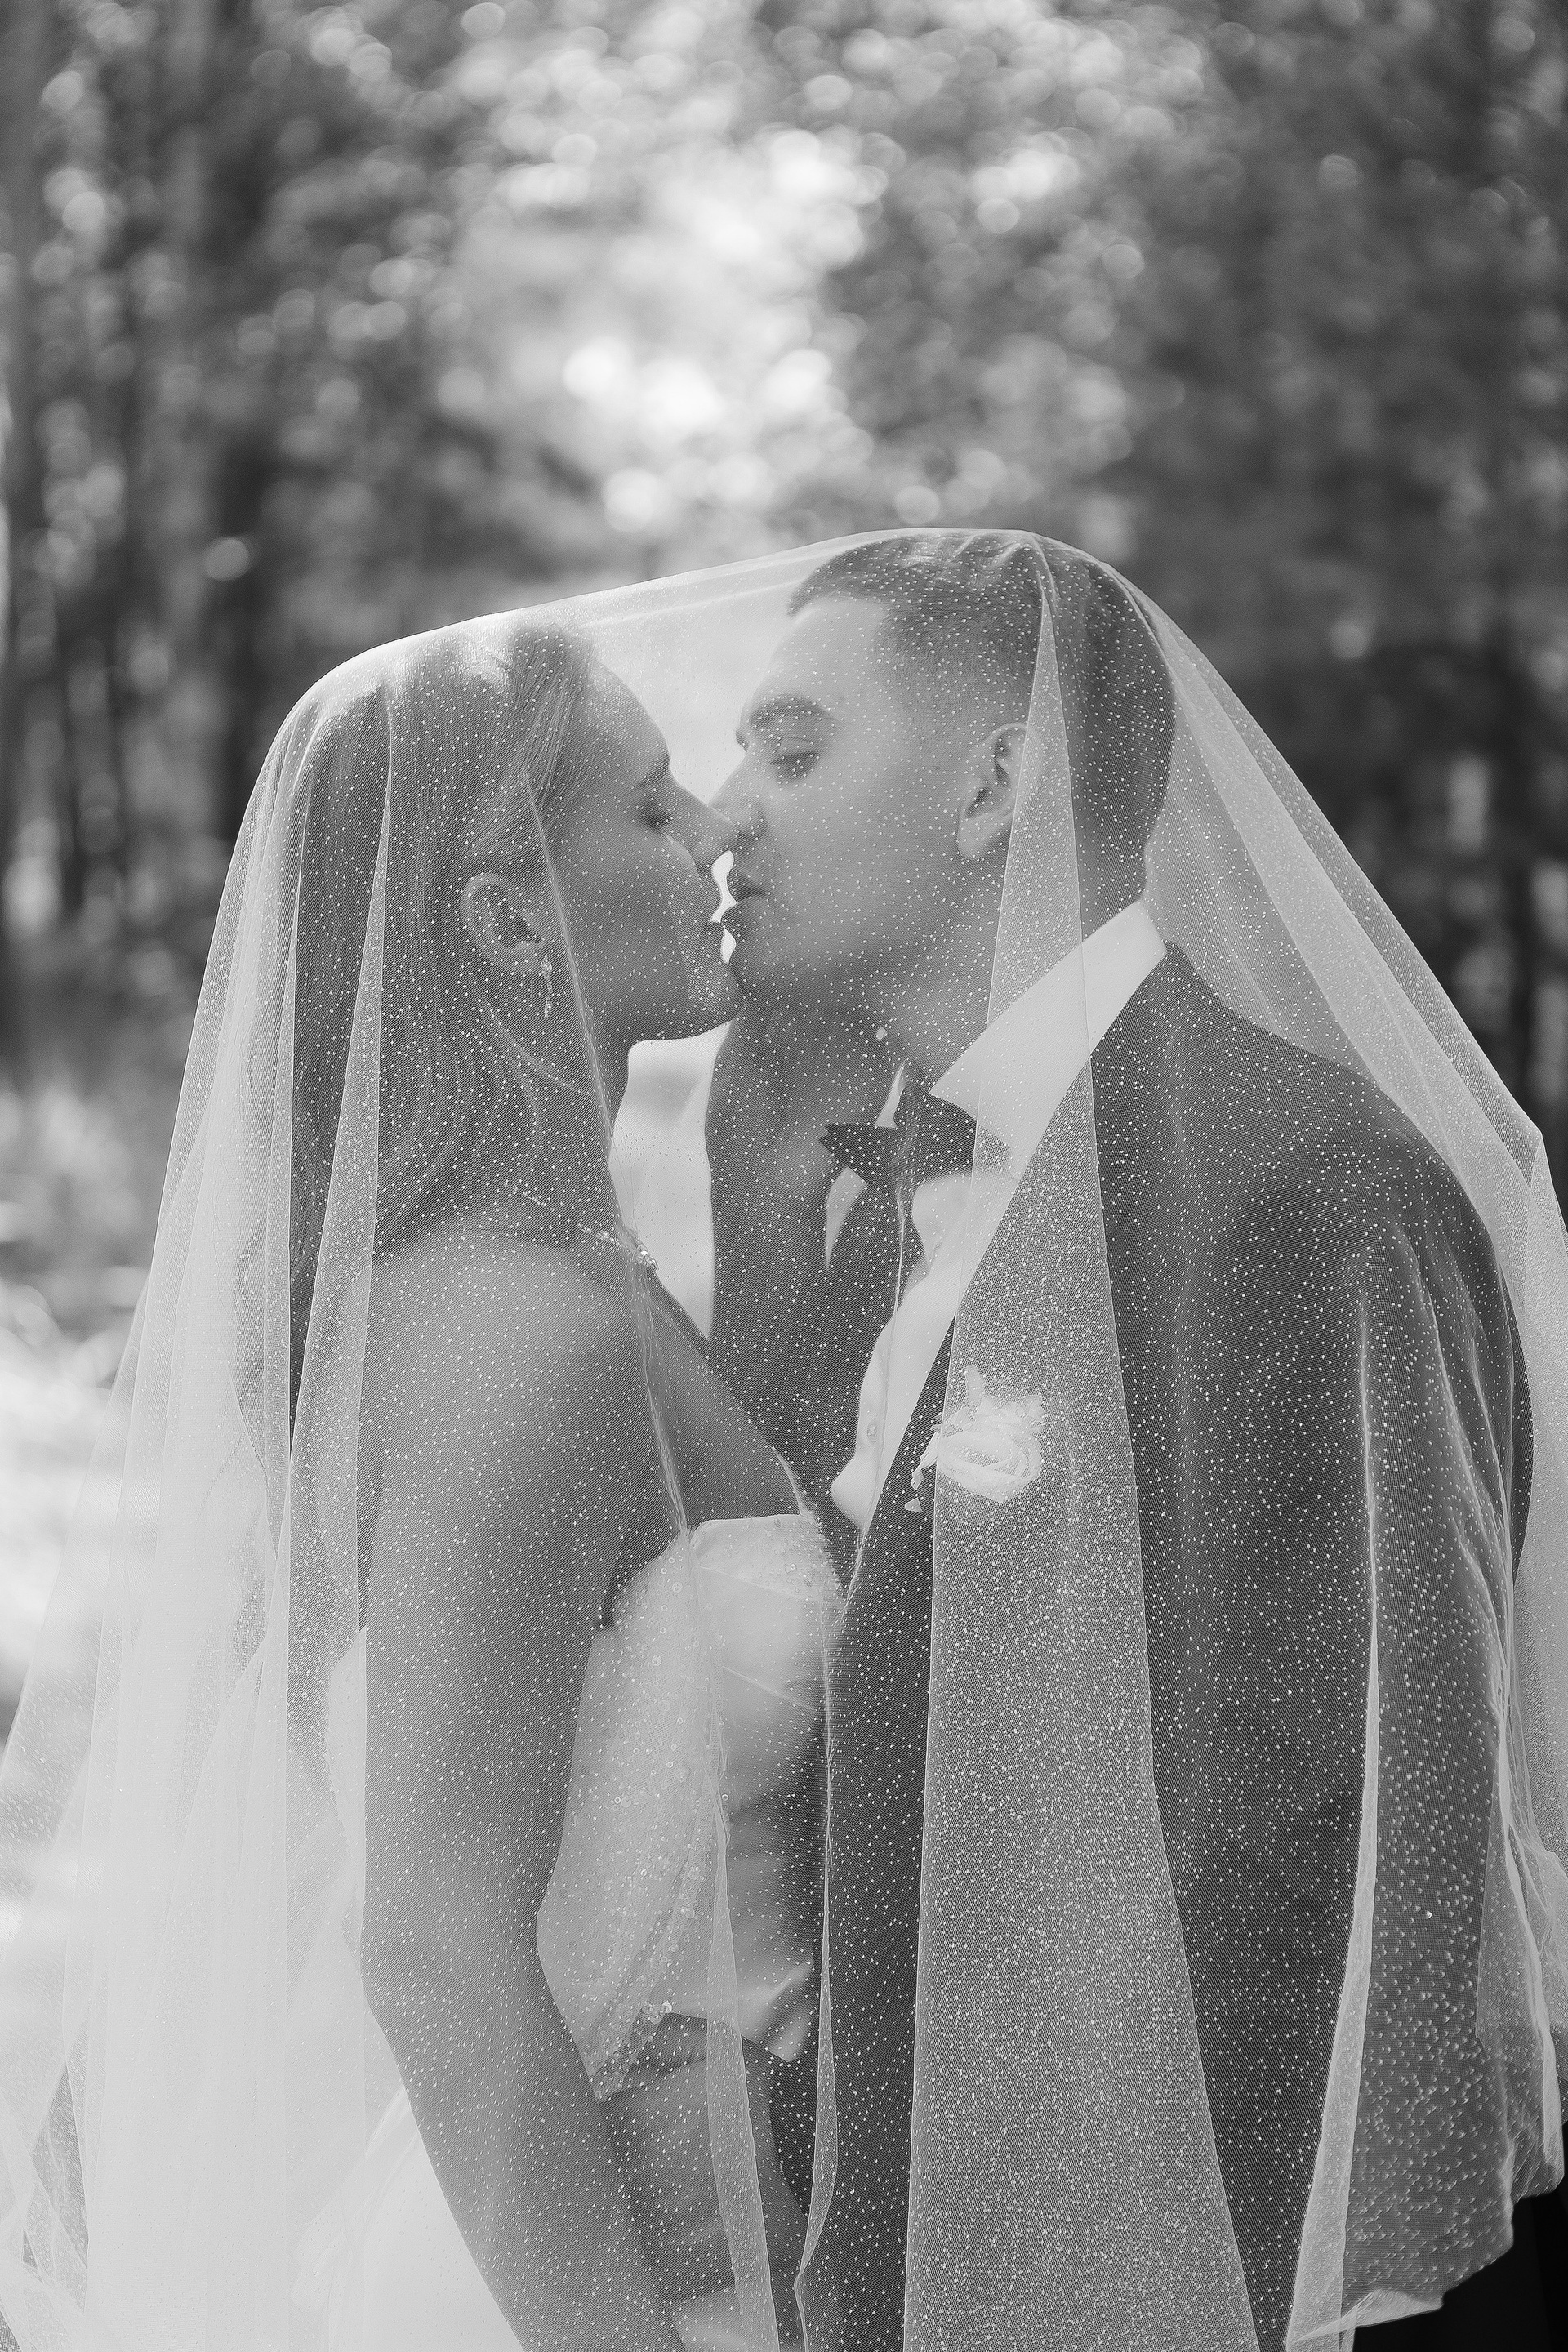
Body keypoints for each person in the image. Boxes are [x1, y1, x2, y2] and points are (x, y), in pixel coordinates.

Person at [705, 531, 1568, 2350]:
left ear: (993, 787)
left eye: (791, 751)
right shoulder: (885, 1204)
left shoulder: (1313, 1193)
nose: (727, 813)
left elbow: (1373, 1848)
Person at [0, 613, 836, 2351]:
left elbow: (314, 1803)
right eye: (651, 805)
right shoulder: (516, 1328)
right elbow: (436, 1954)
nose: (715, 828)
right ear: (508, 919)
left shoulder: (541, 1275)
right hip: (570, 2287)